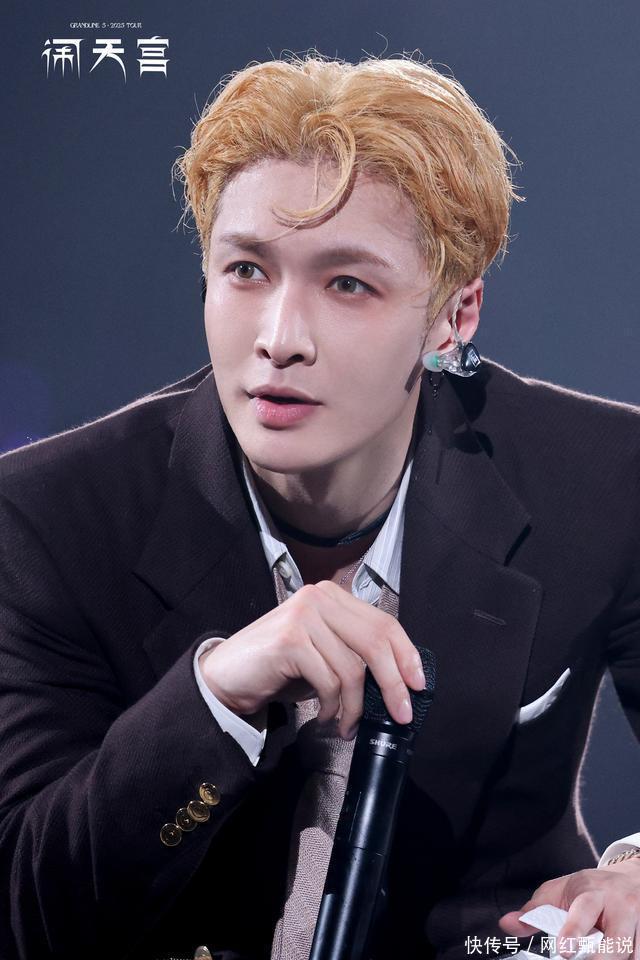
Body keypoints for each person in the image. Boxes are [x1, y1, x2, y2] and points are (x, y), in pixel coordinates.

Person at [0, 52, 639, 960]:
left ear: (455, 316)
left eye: (348, 285)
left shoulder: (603, 476)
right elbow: (27, 912)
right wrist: (216, 696)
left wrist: (635, 870)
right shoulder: (46, 520)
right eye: (246, 270)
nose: (280, 339)